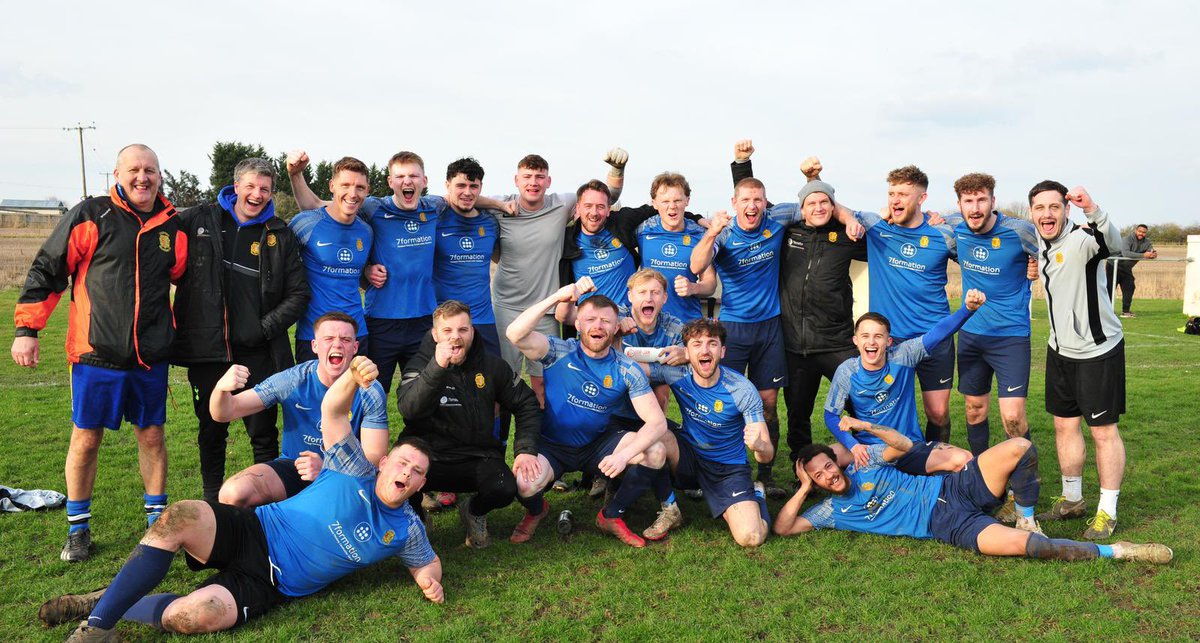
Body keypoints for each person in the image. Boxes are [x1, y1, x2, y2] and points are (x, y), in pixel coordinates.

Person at [39, 357, 443, 640]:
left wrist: (430, 582)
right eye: (403, 463)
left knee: (192, 616)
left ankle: (111, 600)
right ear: (386, 461)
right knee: (179, 516)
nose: (407, 474)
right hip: (255, 528)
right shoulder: (354, 465)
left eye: (417, 472)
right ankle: (97, 625)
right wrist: (353, 379)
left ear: (421, 484)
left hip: (270, 584)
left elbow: (428, 565)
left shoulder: (405, 528)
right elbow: (333, 410)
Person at [12, 144, 187, 562]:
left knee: (152, 436)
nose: (142, 177)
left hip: (149, 357)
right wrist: (27, 328)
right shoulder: (91, 214)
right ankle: (78, 530)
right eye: (134, 170)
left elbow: (187, 280)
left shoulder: (173, 227)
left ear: (160, 176)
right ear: (117, 174)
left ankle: (157, 527)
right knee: (86, 440)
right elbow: (48, 268)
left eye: (150, 170)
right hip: (95, 355)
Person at [773, 419, 1171, 566]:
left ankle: (1025, 513)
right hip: (947, 522)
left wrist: (868, 427)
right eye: (817, 476)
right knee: (1031, 548)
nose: (827, 475)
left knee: (1021, 449)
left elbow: (906, 448)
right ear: (813, 484)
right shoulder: (830, 511)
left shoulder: (864, 463)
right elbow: (783, 528)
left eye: (827, 466)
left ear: (836, 462)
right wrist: (804, 488)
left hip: (953, 485)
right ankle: (1120, 551)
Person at [172, 157, 310, 502]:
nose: (257, 194)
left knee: (263, 432)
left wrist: (261, 329)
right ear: (235, 188)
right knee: (210, 429)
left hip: (259, 352)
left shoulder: (280, 233)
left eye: (264, 189)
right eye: (250, 186)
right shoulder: (198, 219)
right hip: (208, 351)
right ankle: (211, 501)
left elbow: (299, 294)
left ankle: (266, 502)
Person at [505, 277, 669, 548]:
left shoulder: (626, 368)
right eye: (590, 319)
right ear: (578, 324)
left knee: (656, 452)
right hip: (553, 446)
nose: (598, 326)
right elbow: (515, 333)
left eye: (606, 321)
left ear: (616, 327)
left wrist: (623, 457)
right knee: (523, 485)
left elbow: (657, 422)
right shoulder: (558, 351)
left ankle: (611, 515)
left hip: (597, 446)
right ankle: (537, 510)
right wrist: (557, 296)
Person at [731, 147, 868, 469]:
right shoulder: (785, 231)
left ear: (833, 207)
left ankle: (870, 460)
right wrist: (742, 164)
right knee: (797, 413)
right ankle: (801, 467)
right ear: (801, 209)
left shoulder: (848, 236)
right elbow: (749, 199)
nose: (818, 208)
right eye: (811, 203)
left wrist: (845, 214)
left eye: (825, 203)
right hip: (794, 345)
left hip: (836, 342)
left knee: (859, 404)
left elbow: (885, 233)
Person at [689, 154, 807, 496]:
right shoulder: (724, 234)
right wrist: (711, 231)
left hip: (770, 328)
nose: (752, 206)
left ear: (764, 203)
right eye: (745, 200)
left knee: (768, 403)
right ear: (734, 203)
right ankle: (715, 469)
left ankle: (766, 474)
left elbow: (818, 204)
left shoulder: (778, 218)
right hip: (733, 329)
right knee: (722, 400)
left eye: (758, 200)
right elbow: (697, 264)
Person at [397, 300, 543, 548]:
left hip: (476, 454)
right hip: (429, 457)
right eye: (447, 331)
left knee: (503, 488)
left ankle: (473, 511)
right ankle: (417, 518)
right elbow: (410, 410)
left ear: (472, 331)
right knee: (396, 476)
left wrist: (526, 450)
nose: (455, 338)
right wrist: (438, 367)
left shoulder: (492, 366)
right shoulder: (420, 364)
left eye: (463, 330)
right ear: (435, 335)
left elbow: (527, 402)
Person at [490, 151, 627, 405]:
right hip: (506, 307)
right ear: (516, 180)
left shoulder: (562, 204)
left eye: (539, 177)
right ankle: (497, 442)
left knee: (544, 384)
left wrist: (617, 171)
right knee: (503, 383)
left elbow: (606, 198)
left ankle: (543, 443)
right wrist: (497, 206)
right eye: (527, 177)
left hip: (548, 310)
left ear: (548, 181)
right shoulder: (501, 206)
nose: (533, 182)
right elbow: (466, 198)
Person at [209, 313, 389, 507]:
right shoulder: (294, 379)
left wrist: (328, 468)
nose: (337, 345)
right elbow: (225, 412)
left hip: (348, 478)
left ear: (355, 347)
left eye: (345, 340)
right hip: (295, 466)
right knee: (233, 493)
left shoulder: (368, 389)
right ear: (314, 346)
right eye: (328, 338)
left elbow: (373, 459)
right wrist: (221, 389)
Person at [1030, 182, 1128, 539]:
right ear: (1031, 213)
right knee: (1064, 426)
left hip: (1097, 351)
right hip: (1060, 351)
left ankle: (1107, 511)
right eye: (1039, 208)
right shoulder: (1040, 243)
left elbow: (1113, 244)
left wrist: (1093, 209)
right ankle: (1072, 500)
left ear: (1066, 210)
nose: (1047, 214)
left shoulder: (1084, 238)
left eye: (1054, 207)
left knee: (1103, 432)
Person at [834, 165, 959, 444]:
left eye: (903, 194)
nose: (895, 200)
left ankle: (934, 465)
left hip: (933, 337)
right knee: (886, 411)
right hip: (891, 341)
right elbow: (836, 206)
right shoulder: (877, 227)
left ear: (922, 199)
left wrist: (1030, 267)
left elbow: (976, 246)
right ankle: (882, 466)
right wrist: (849, 220)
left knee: (937, 412)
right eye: (892, 193)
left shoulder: (944, 235)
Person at [643, 318, 775, 547]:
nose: (704, 350)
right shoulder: (676, 373)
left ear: (722, 351)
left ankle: (757, 495)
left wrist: (760, 446)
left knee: (750, 538)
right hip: (689, 458)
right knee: (654, 433)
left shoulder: (742, 389)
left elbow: (767, 454)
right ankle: (670, 507)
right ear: (686, 352)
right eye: (696, 344)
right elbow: (629, 366)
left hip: (728, 469)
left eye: (712, 343)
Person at [936, 174, 1040, 464]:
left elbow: (1050, 252)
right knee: (974, 409)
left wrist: (1038, 267)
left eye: (982, 199)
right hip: (971, 334)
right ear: (960, 204)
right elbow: (938, 230)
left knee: (1013, 418)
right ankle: (983, 476)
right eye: (968, 201)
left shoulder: (1020, 231)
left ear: (993, 201)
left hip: (1011, 337)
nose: (975, 207)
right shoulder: (955, 226)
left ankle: (1025, 482)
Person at [823, 292, 984, 477]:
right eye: (865, 336)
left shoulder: (903, 355)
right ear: (856, 340)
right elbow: (830, 415)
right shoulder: (847, 371)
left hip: (908, 446)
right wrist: (854, 445)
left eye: (878, 336)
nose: (871, 342)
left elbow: (938, 333)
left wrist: (967, 310)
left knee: (963, 459)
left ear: (888, 341)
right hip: (867, 449)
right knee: (816, 460)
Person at [288, 157, 374, 363]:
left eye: (360, 187)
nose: (353, 194)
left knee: (354, 395)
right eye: (345, 185)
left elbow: (361, 277)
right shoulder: (305, 223)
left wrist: (370, 272)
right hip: (314, 335)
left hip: (356, 334)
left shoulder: (366, 231)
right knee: (314, 396)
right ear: (332, 186)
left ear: (367, 190)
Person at [431, 158, 503, 355]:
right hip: (446, 322)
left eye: (474, 186)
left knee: (490, 382)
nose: (468, 192)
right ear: (447, 186)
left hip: (483, 319)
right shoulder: (434, 219)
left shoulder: (490, 223)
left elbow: (499, 257)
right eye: (461, 185)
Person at [633, 172, 718, 322]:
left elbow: (710, 284)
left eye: (677, 200)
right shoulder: (643, 230)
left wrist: (693, 288)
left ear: (687, 200)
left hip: (687, 323)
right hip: (650, 325)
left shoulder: (700, 234)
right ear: (654, 203)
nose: (672, 207)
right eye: (665, 201)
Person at [1106, 224, 1157, 318]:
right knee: (1109, 289)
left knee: (1130, 287)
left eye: (1144, 232)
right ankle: (1106, 312)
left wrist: (1153, 254)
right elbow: (1126, 253)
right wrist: (1143, 255)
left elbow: (1151, 251)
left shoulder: (1147, 242)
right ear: (1136, 230)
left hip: (1126, 269)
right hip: (1114, 265)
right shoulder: (1127, 239)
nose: (1141, 233)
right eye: (1140, 231)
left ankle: (1125, 312)